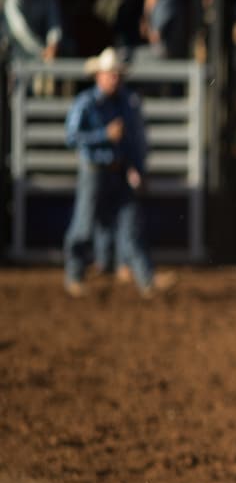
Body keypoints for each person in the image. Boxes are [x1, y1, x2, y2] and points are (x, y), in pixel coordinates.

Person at [63, 48, 172, 299]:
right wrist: (104, 135)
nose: (115, 79)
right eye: (110, 74)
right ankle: (74, 275)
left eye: (117, 74)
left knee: (130, 223)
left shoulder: (125, 103)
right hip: (94, 170)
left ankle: (146, 279)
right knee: (84, 225)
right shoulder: (86, 102)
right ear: (98, 76)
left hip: (119, 169)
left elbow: (133, 139)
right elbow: (71, 137)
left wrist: (136, 168)